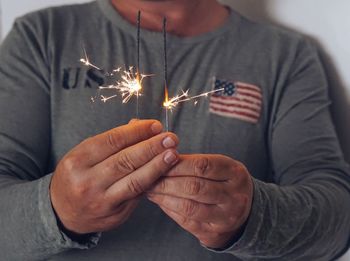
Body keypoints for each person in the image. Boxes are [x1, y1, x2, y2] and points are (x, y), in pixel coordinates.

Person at [0, 0, 349, 260]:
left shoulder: (285, 56)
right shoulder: (41, 38)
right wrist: (57, 208)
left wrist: (253, 216)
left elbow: (338, 219)